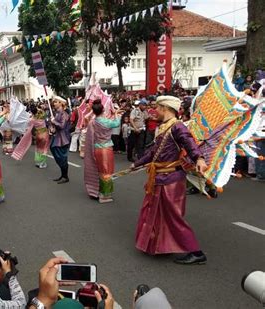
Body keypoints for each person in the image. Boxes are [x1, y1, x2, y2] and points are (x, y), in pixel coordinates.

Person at [132, 96, 208, 265]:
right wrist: (136, 164)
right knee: (157, 213)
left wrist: (199, 159)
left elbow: (190, 143)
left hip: (171, 179)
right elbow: (153, 154)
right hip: (160, 177)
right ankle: (159, 244)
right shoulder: (163, 128)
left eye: (157, 108)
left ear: (165, 108)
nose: (154, 111)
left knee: (174, 216)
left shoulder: (177, 127)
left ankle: (196, 252)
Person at [84, 100, 121, 203]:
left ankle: (98, 191)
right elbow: (117, 123)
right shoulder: (106, 122)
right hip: (106, 149)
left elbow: (87, 119)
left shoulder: (93, 122)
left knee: (100, 171)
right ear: (103, 109)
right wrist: (116, 114)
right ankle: (104, 196)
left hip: (97, 148)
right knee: (106, 172)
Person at [49, 97, 71, 184]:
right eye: (54, 102)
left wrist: (54, 121)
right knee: (57, 155)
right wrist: (51, 126)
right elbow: (55, 125)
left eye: (56, 102)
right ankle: (63, 175)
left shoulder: (64, 114)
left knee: (62, 158)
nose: (54, 103)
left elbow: (62, 126)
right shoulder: (57, 113)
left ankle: (65, 176)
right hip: (57, 137)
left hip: (62, 139)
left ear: (61, 103)